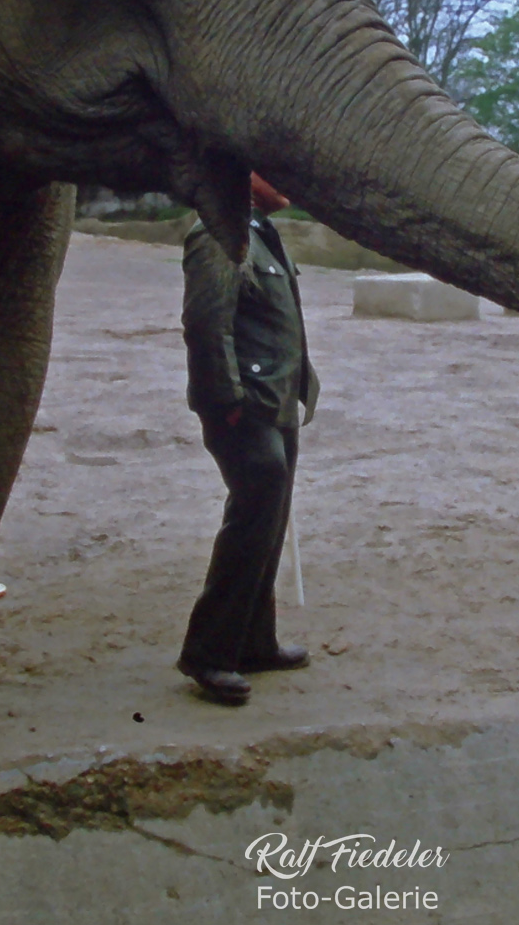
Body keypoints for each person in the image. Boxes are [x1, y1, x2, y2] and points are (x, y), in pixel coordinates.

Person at [176, 172, 318, 704]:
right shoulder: (216, 234)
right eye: (271, 167)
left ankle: (255, 642)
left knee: (269, 525)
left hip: (276, 400)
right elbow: (207, 325)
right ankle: (208, 654)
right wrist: (228, 404)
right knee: (249, 523)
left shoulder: (262, 232)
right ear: (245, 176)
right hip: (246, 408)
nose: (287, 179)